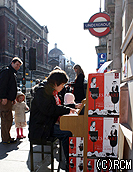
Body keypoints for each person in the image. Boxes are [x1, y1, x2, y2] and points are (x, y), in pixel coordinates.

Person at [29, 69, 76, 169]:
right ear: (55, 83)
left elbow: (57, 107)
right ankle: (70, 164)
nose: (63, 87)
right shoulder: (43, 92)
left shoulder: (52, 91)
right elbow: (50, 109)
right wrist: (68, 110)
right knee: (67, 133)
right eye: (62, 84)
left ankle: (72, 160)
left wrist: (71, 107)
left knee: (72, 128)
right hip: (41, 129)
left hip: (47, 124)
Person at [0, 57, 23, 144]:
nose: (18, 67)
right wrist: (3, 97)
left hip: (9, 99)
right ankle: (6, 138)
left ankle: (7, 137)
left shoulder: (11, 72)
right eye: (17, 65)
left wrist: (13, 98)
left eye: (19, 66)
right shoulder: (7, 72)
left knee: (8, 119)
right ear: (12, 63)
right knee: (6, 118)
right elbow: (2, 85)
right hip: (5, 99)